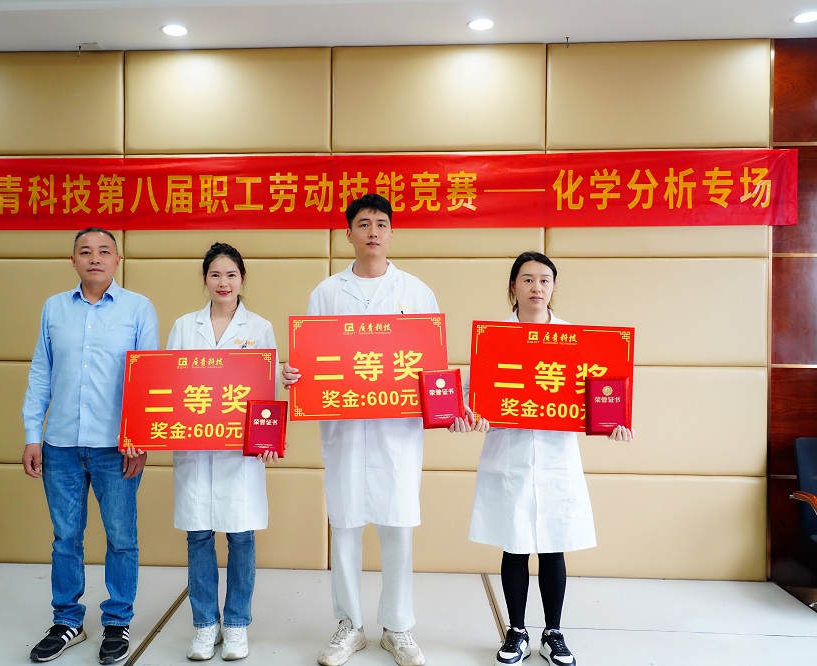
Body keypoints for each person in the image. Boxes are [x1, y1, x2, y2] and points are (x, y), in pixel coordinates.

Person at [450, 251, 632, 666]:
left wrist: (613, 423)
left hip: (555, 460)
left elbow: (599, 394)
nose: (537, 287)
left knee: (553, 545)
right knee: (514, 545)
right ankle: (516, 631)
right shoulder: (494, 338)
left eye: (545, 280)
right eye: (528, 279)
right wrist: (466, 415)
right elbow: (470, 393)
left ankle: (553, 633)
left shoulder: (575, 340)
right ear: (513, 287)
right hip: (508, 457)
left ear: (553, 288)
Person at [282, 193, 436, 666]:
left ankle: (398, 627)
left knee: (398, 527)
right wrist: (294, 374)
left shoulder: (416, 292)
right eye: (364, 223)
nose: (373, 231)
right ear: (348, 233)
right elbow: (311, 359)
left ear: (391, 233)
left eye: (381, 223)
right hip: (345, 429)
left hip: (397, 433)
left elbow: (432, 363)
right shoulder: (327, 293)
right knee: (345, 525)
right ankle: (349, 625)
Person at [22, 227, 159, 664]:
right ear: (73, 260)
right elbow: (41, 373)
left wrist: (140, 439)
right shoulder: (54, 308)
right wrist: (32, 435)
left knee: (121, 538)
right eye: (85, 251)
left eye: (103, 251)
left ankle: (117, 622)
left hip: (116, 447)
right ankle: (67, 621)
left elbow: (149, 380)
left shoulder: (138, 308)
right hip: (59, 444)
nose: (94, 258)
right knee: (65, 538)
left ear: (117, 260)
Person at [167, 242, 279, 662]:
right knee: (198, 537)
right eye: (215, 274)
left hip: (239, 455)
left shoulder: (260, 327)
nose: (223, 282)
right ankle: (204, 625)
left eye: (231, 274)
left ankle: (235, 624)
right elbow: (168, 384)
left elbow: (268, 391)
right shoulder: (184, 326)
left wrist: (267, 440)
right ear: (205, 280)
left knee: (241, 537)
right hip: (195, 449)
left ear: (242, 279)